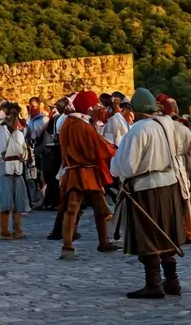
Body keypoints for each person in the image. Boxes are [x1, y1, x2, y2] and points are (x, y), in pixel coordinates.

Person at [111, 88, 191, 299]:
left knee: (147, 234)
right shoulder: (167, 125)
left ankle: (154, 284)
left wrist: (115, 165)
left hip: (145, 188)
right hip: (169, 184)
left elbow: (128, 167)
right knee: (166, 233)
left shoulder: (138, 130)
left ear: (134, 109)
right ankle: (172, 281)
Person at [58, 91, 118, 260]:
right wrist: (115, 150)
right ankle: (95, 242)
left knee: (79, 208)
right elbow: (99, 146)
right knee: (84, 207)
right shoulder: (82, 126)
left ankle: (71, 245)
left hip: (74, 170)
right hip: (85, 171)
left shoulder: (68, 122)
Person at [0, 109, 31, 240]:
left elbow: (24, 150)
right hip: (5, 171)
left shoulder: (19, 134)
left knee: (19, 202)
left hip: (17, 170)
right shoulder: (0, 134)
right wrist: (7, 157)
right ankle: (4, 230)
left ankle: (17, 229)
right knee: (6, 202)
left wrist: (22, 156)